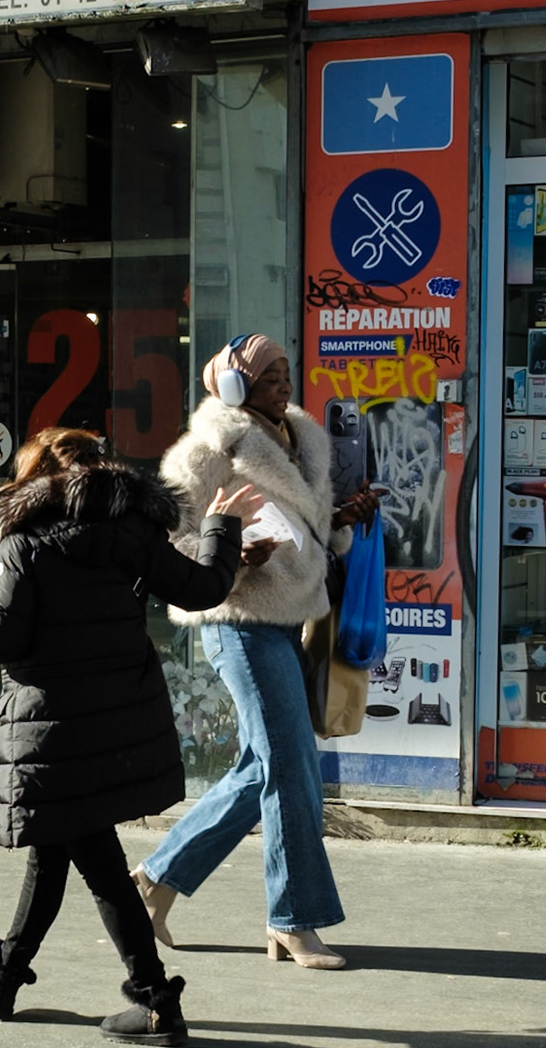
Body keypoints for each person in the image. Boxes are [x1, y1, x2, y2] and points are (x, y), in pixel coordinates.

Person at [0, 426, 256, 1045]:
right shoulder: (134, 532)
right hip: (118, 721)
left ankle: (156, 1001)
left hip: (53, 729)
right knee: (60, 845)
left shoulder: (24, 544)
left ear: (33, 480)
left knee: (94, 860)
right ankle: (5, 977)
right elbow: (206, 588)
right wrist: (220, 529)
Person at [131, 335, 379, 970]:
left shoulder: (302, 442)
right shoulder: (209, 448)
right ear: (235, 385)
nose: (284, 385)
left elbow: (311, 532)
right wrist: (229, 553)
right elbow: (169, 538)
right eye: (269, 376)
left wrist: (343, 518)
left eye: (287, 373)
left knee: (261, 768)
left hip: (289, 618)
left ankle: (154, 883)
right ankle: (294, 919)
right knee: (293, 764)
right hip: (234, 616)